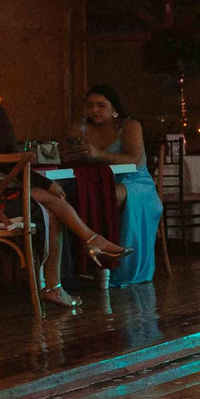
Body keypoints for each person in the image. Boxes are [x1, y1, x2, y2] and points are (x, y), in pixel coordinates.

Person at [0, 73, 129, 308]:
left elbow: (8, 163)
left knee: (50, 201)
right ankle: (68, 270)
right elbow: (11, 154)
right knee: (50, 208)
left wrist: (47, 184)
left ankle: (83, 252)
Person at [75, 85, 162, 285]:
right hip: (98, 181)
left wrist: (98, 154)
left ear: (114, 108)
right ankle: (83, 264)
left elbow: (135, 160)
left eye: (101, 105)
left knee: (106, 196)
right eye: (90, 105)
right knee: (75, 197)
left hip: (136, 182)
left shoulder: (129, 126)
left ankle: (115, 264)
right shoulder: (82, 129)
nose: (95, 110)